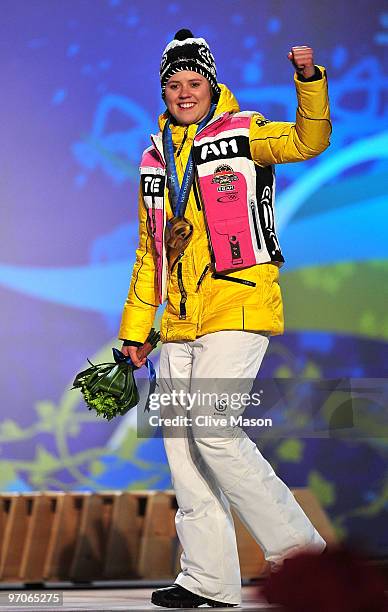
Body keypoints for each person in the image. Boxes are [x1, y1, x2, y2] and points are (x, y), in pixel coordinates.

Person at [118, 29, 332, 608]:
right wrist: (134, 334)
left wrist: (308, 83)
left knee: (213, 429)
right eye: (173, 83)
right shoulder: (153, 156)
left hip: (239, 301)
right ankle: (208, 580)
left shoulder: (245, 131)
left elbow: (309, 141)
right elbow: (150, 253)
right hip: (179, 320)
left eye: (193, 82)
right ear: (162, 91)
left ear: (211, 85)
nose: (183, 92)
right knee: (183, 447)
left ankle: (306, 562)